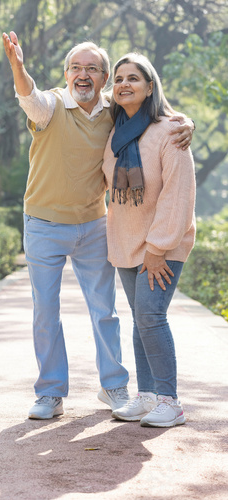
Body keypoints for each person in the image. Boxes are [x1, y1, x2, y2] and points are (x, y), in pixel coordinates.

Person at [2, 31, 194, 420]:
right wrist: (18, 68)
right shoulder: (53, 106)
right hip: (44, 223)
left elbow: (156, 114)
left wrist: (184, 121)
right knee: (46, 311)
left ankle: (118, 387)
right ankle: (51, 393)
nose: (83, 74)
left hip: (95, 226)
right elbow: (29, 96)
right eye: (76, 67)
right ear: (67, 73)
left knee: (109, 311)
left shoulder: (115, 112)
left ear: (103, 78)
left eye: (93, 68)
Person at [102, 52, 196, 427]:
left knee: (151, 316)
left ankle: (170, 401)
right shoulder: (113, 133)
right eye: (119, 78)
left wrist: (157, 249)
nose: (124, 84)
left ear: (150, 86)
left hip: (164, 243)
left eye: (134, 78)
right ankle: (145, 396)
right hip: (127, 240)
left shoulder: (171, 130)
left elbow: (178, 193)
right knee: (140, 320)